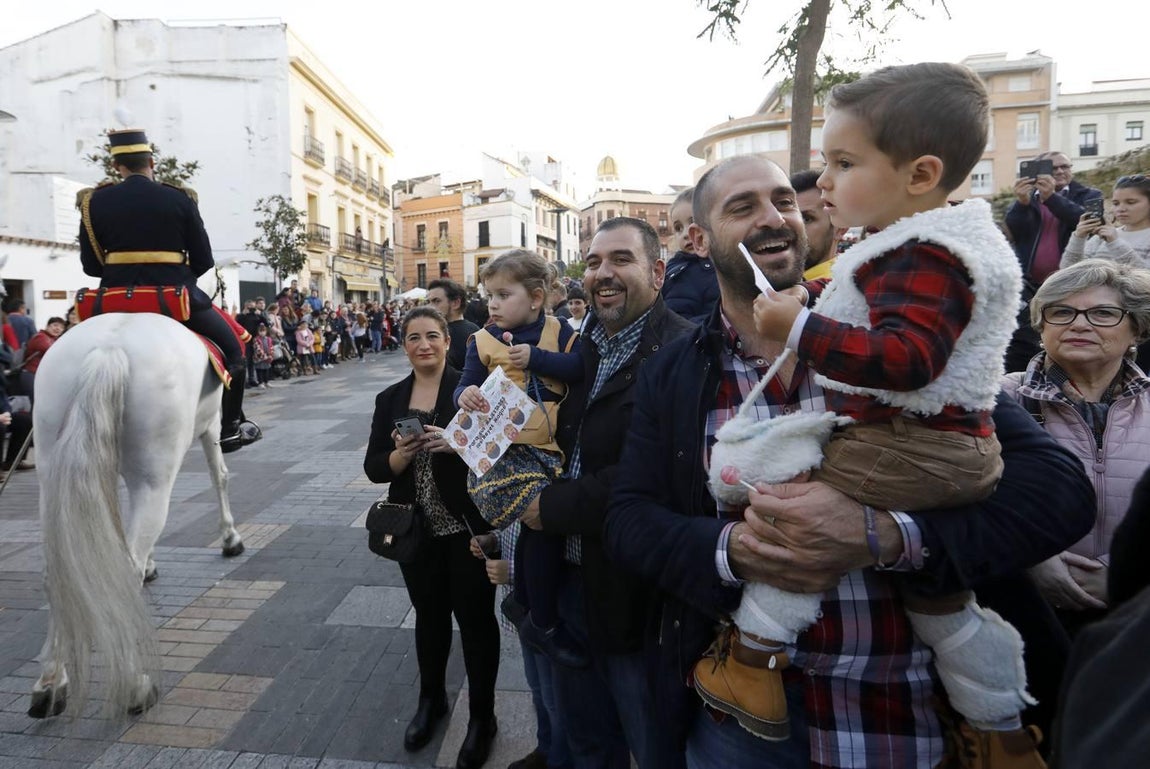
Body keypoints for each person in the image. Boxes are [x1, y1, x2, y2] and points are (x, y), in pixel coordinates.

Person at [603, 152, 1095, 769]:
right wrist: (732, 551)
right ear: (699, 240)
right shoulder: (673, 371)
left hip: (917, 715)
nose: (773, 218)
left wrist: (889, 537)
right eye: (743, 207)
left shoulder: (893, 334)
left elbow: (1059, 491)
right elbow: (629, 519)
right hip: (747, 724)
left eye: (784, 201)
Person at [523, 217, 695, 769]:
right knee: (588, 744)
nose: (603, 273)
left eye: (620, 259)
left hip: (636, 595)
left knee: (650, 745)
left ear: (658, 272)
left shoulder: (684, 349)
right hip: (570, 583)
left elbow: (655, 472)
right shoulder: (584, 345)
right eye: (594, 262)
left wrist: (548, 508)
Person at [364, 306, 499, 769]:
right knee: (430, 618)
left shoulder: (472, 392)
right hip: (415, 534)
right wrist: (400, 456)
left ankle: (483, 718)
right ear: (404, 345)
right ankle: (432, 700)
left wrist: (458, 444)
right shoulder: (390, 399)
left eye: (433, 336)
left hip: (465, 532)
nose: (424, 344)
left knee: (478, 623)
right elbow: (374, 468)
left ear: (448, 341)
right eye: (414, 337)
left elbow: (498, 458)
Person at [76, 128, 259, 452]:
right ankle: (230, 429)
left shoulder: (94, 201)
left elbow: (91, 267)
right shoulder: (178, 198)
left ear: (117, 165)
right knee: (235, 352)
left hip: (113, 301)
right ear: (151, 161)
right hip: (174, 299)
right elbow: (203, 260)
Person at [1003, 258, 1150, 634]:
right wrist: (1030, 560)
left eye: (1103, 313)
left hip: (1134, 622)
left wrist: (1125, 574)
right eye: (1061, 312)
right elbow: (959, 497)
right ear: (1041, 326)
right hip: (1023, 616)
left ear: (1136, 331)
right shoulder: (997, 399)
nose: (1079, 323)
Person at [454, 250, 584, 669]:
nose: (491, 304)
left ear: (536, 297)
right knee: (541, 523)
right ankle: (540, 620)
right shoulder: (483, 340)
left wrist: (538, 360)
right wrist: (465, 395)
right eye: (489, 294)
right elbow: (466, 384)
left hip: (550, 451)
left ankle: (527, 605)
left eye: (502, 294)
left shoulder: (560, 330)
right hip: (504, 456)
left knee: (541, 531)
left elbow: (580, 367)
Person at [1004, 151, 1103, 372]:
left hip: (1071, 280)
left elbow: (1089, 221)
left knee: (1065, 331)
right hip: (1030, 282)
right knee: (1029, 335)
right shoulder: (1027, 198)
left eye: (1065, 167)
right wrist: (1021, 203)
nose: (1060, 171)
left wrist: (1051, 198)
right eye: (1054, 167)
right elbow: (1014, 230)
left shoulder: (1088, 193)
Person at [1061, 174, 1150, 269]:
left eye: (1131, 202)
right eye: (1116, 203)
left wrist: (1115, 243)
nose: (1121, 208)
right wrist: (1078, 238)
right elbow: (1068, 272)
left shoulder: (1111, 236)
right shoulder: (1101, 236)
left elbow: (1145, 278)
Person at [661, 187, 719, 324]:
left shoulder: (730, 263)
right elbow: (677, 323)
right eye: (678, 228)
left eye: (693, 221)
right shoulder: (681, 273)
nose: (686, 234)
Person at [790, 169, 845, 280]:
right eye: (786, 219)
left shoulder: (845, 291)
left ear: (840, 229)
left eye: (806, 219)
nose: (792, 229)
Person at [428, 278, 480, 372]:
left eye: (436, 301)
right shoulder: (476, 329)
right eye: (429, 302)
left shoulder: (441, 334)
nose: (430, 307)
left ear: (456, 303)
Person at [20, 316, 65, 403]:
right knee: (36, 402)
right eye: (55, 325)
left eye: (61, 327)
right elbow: (53, 352)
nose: (58, 328)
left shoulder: (54, 339)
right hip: (31, 374)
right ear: (48, 326)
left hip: (39, 376)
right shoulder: (40, 337)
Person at [251, 323, 274, 388]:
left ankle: (266, 381)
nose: (262, 333)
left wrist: (270, 355)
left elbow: (271, 347)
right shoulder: (256, 339)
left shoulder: (268, 339)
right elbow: (257, 349)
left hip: (267, 357)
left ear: (266, 331)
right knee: (260, 370)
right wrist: (264, 356)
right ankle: (260, 382)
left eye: (263, 331)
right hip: (259, 358)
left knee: (266, 370)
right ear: (258, 332)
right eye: (260, 331)